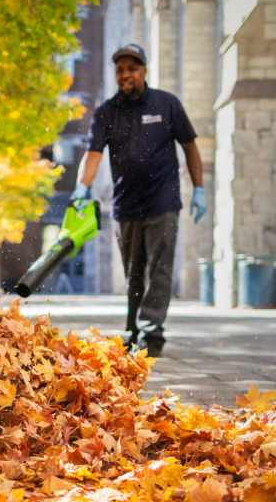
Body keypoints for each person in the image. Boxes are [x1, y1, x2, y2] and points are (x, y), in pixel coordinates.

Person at [71, 43, 206, 358]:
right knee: (133, 272)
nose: (125, 74)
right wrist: (81, 186)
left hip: (163, 200)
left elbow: (190, 146)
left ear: (144, 71)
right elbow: (93, 154)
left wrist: (199, 187)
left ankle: (151, 333)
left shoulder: (166, 104)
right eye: (120, 70)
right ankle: (133, 329)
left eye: (132, 68)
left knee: (159, 269)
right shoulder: (106, 112)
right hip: (126, 205)